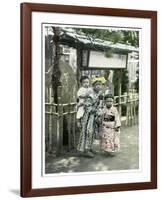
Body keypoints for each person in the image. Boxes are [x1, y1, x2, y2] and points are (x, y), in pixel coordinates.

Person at [77, 77, 104, 158]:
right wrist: (96, 111)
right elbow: (87, 107)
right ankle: (85, 150)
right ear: (93, 86)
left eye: (100, 85)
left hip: (93, 116)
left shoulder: (98, 94)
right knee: (87, 132)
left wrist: (100, 111)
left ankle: (89, 147)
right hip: (88, 117)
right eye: (97, 85)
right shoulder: (90, 95)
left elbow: (99, 105)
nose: (99, 86)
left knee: (92, 132)